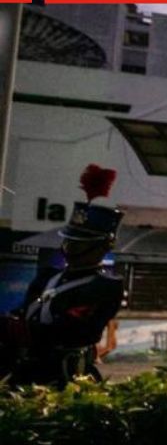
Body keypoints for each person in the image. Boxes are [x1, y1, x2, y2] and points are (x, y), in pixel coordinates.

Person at [1, 165, 125, 388]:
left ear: (103, 246)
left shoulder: (105, 287)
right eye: (69, 240)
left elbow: (67, 332)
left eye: (80, 242)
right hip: (23, 373)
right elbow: (25, 313)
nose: (69, 247)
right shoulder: (48, 276)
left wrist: (8, 327)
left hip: (65, 379)